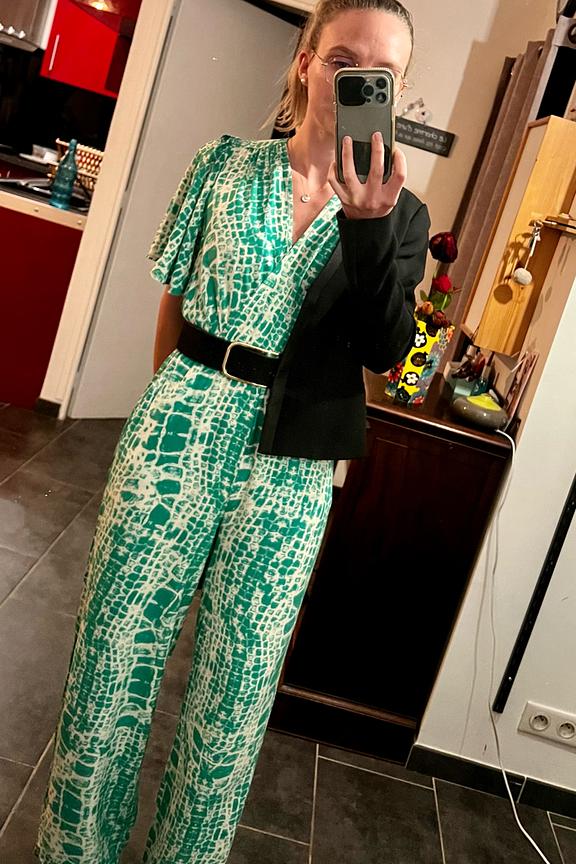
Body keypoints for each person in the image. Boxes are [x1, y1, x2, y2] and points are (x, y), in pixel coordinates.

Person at [34, 1, 430, 862]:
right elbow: (174, 300)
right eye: (343, 59)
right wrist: (166, 413)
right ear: (305, 61)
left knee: (235, 697)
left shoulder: (402, 219)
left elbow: (386, 352)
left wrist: (367, 229)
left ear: (398, 91)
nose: (359, 81)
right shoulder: (222, 164)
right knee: (112, 659)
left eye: (384, 74)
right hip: (181, 424)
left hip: (292, 471)